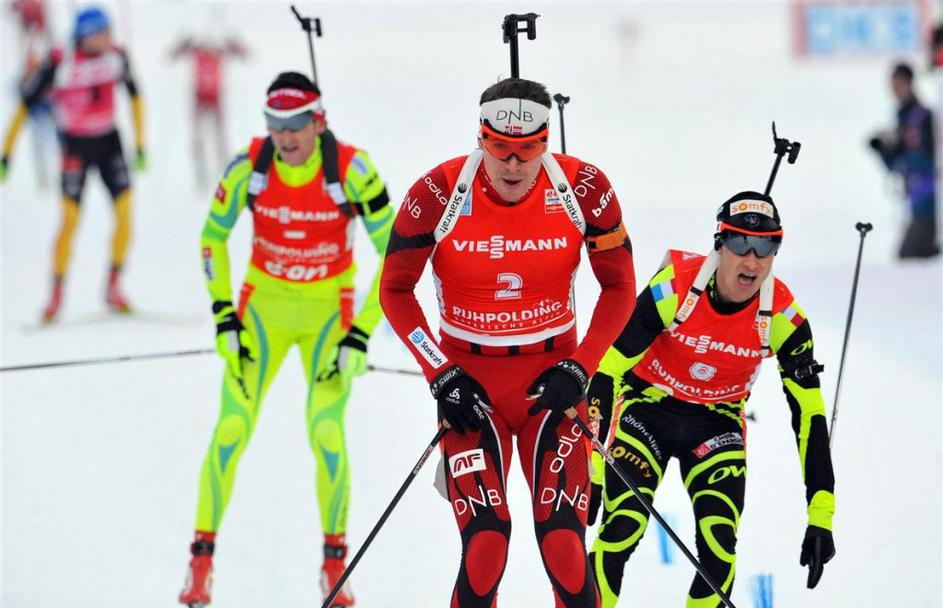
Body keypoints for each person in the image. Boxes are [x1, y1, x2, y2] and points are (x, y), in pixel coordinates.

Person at [379, 77, 636, 607]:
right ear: (480, 138)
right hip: (470, 388)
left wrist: (581, 367)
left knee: (566, 546)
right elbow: (394, 290)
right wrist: (440, 373)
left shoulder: (584, 187)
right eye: (499, 148)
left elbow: (620, 288)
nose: (514, 165)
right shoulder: (438, 192)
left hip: (553, 385)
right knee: (486, 546)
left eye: (528, 150)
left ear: (546, 140)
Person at [178, 71, 394, 608]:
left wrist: (362, 335)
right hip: (262, 314)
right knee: (231, 427)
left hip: (329, 315)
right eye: (275, 124)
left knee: (325, 431)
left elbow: (396, 255)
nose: (285, 136)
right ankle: (200, 565)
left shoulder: (350, 168)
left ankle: (333, 567)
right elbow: (212, 237)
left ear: (318, 121)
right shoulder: (249, 165)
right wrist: (225, 316)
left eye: (296, 124)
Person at [586, 192, 836, 607]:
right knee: (622, 527)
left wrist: (821, 515)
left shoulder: (784, 317)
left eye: (768, 247)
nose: (752, 261)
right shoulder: (674, 289)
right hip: (647, 409)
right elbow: (607, 370)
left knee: (719, 550)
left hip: (716, 424)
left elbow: (809, 415)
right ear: (719, 244)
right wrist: (594, 470)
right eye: (739, 245)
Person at [0, 5, 146, 321]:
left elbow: (136, 96)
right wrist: (6, 154)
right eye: (102, 32)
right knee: (68, 221)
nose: (109, 37)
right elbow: (24, 105)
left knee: (125, 215)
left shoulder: (117, 56)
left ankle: (114, 285)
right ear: (86, 35)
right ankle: (56, 293)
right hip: (75, 148)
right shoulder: (59, 62)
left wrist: (141, 144)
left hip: (109, 144)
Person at [868, 62, 939, 258]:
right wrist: (883, 149)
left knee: (910, 254)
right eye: (893, 87)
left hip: (930, 202)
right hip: (915, 201)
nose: (895, 92)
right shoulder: (903, 118)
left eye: (898, 86)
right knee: (911, 254)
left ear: (909, 83)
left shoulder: (925, 117)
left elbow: (928, 157)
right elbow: (896, 165)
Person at [169, 33, 248, 186]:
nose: (209, 51)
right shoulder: (197, 52)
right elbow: (175, 53)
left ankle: (225, 169)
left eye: (211, 47)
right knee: (197, 136)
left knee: (220, 136)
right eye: (206, 47)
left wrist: (235, 42)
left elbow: (242, 52)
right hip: (199, 98)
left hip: (215, 99)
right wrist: (182, 43)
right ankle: (201, 170)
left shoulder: (220, 53)